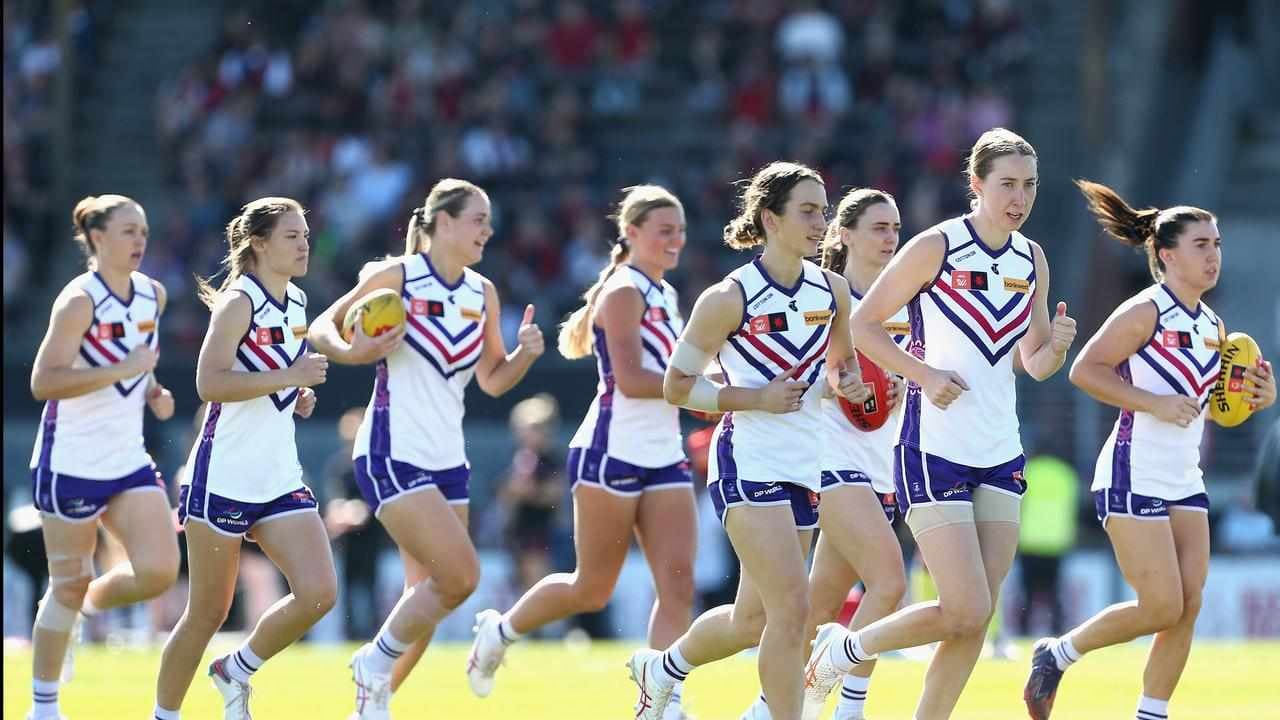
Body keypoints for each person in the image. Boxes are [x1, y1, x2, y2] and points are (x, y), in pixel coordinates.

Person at [804, 128, 1079, 720]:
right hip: (932, 446)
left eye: (1029, 185)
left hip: (1001, 448)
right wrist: (923, 376)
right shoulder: (936, 246)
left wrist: (1054, 347)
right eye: (1006, 183)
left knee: (975, 615)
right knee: (962, 604)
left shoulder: (1033, 258)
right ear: (976, 185)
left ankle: (875, 671)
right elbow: (865, 326)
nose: (1019, 197)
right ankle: (846, 647)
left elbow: (1032, 363)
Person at [627, 162, 871, 720]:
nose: (821, 222)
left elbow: (840, 372)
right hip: (748, 461)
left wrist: (849, 385)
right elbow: (675, 387)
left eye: (823, 211)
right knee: (793, 610)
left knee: (752, 622)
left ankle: (660, 668)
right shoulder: (727, 297)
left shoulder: (833, 291)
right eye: (807, 211)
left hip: (807, 464)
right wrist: (755, 400)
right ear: (770, 218)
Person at [1023, 180, 1276, 720]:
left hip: (1185, 476)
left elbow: (1213, 408)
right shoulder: (1145, 310)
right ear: (1166, 254)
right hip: (1130, 472)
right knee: (1162, 605)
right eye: (1201, 245)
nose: (1214, 255)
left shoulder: (1213, 326)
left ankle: (1151, 714)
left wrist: (1258, 398)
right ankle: (1058, 652)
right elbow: (1084, 370)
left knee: (1188, 606)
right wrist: (1151, 404)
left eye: (1218, 244)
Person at [308, 178, 544, 719]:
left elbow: (491, 379)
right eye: (477, 219)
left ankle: (371, 706)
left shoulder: (482, 292)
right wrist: (352, 348)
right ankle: (373, 664)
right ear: (442, 222)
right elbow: (323, 325)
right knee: (460, 577)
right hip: (392, 449)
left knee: (428, 601)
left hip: (448, 460)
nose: (488, 229)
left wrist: (525, 356)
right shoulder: (398, 276)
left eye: (489, 220)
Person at [466, 185, 699, 718]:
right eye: (665, 230)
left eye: (680, 230)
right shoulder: (623, 292)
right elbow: (633, 380)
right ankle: (499, 631)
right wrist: (707, 390)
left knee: (679, 585)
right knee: (592, 589)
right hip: (611, 452)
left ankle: (660, 701)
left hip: (663, 453)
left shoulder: (665, 293)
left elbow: (668, 377)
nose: (676, 240)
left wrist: (708, 385)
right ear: (632, 233)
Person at [154, 198, 336, 720]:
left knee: (320, 593)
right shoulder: (238, 302)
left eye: (305, 234)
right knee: (206, 612)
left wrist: (295, 396)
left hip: (278, 474)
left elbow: (278, 374)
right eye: (291, 236)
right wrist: (289, 379)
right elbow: (208, 383)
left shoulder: (298, 300)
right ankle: (163, 715)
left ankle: (235, 669)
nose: (304, 244)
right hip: (224, 474)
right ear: (258, 243)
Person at [742, 188, 910, 720]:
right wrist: (841, 384)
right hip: (830, 460)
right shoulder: (825, 298)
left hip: (882, 466)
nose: (891, 238)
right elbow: (817, 368)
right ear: (845, 234)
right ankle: (848, 708)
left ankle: (764, 708)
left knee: (812, 611)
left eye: (896, 228)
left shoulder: (907, 302)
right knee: (889, 583)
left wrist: (908, 383)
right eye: (879, 227)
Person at [26, 195, 179, 720]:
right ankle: (43, 707)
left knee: (160, 571)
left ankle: (78, 610)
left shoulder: (152, 295)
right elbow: (44, 382)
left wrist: (152, 389)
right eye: (128, 231)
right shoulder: (78, 300)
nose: (140, 240)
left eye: (144, 230)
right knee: (65, 580)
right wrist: (123, 371)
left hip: (127, 460)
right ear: (96, 238)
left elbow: (139, 360)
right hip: (69, 461)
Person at [495, 393, 564, 601]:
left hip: (542, 530)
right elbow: (504, 494)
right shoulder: (518, 457)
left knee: (540, 580)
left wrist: (529, 491)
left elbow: (554, 495)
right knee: (523, 583)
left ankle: (554, 629)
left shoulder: (551, 459)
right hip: (519, 530)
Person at [1016, 450, 1078, 637]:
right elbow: (1072, 507)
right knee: (1054, 592)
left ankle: (1023, 632)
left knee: (1027, 592)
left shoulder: (1029, 471)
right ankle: (1057, 631)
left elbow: (1019, 503)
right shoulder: (1066, 474)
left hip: (1030, 541)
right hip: (1056, 541)